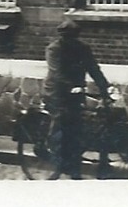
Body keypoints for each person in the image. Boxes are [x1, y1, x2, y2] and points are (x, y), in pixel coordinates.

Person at [44, 17, 112, 180]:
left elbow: (93, 68)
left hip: (77, 91)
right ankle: (58, 161)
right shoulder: (54, 49)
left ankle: (75, 168)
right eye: (68, 37)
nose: (71, 40)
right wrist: (71, 87)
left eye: (74, 37)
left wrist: (106, 87)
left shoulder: (83, 49)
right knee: (63, 125)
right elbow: (56, 72)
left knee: (77, 129)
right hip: (57, 92)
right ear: (62, 37)